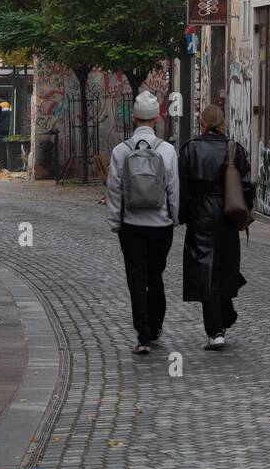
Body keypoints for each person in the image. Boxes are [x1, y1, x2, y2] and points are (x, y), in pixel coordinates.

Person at [106, 91, 179, 355]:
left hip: (131, 225)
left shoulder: (121, 151)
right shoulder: (168, 150)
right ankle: (157, 324)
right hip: (161, 226)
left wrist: (115, 220)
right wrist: (174, 216)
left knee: (136, 278)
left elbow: (114, 189)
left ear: (135, 118)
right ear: (158, 118)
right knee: (155, 275)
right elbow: (173, 189)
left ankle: (143, 334)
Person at [178, 105, 254, 350]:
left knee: (205, 271)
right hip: (227, 215)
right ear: (222, 122)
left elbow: (182, 186)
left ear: (203, 122)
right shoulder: (235, 150)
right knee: (225, 267)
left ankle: (216, 330)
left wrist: (183, 214)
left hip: (200, 215)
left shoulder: (190, 149)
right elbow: (246, 188)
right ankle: (224, 316)